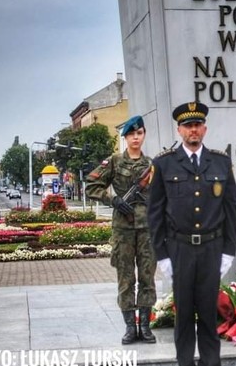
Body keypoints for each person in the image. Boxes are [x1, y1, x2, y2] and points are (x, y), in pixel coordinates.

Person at [148, 101, 236, 366]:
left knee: (209, 313)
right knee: (184, 314)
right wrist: (162, 255)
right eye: (188, 126)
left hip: (212, 247)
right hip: (180, 249)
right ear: (179, 130)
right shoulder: (163, 164)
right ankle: (185, 362)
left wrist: (228, 252)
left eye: (197, 125)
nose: (193, 130)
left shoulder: (221, 162)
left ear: (205, 129)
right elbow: (155, 214)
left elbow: (230, 210)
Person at [86, 115, 157, 344]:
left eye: (139, 133)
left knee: (147, 277)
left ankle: (144, 327)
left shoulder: (152, 165)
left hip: (147, 229)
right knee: (126, 279)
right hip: (123, 229)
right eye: (131, 134)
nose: (136, 137)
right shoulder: (114, 161)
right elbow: (92, 185)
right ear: (125, 137)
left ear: (144, 135)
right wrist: (113, 200)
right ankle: (129, 328)